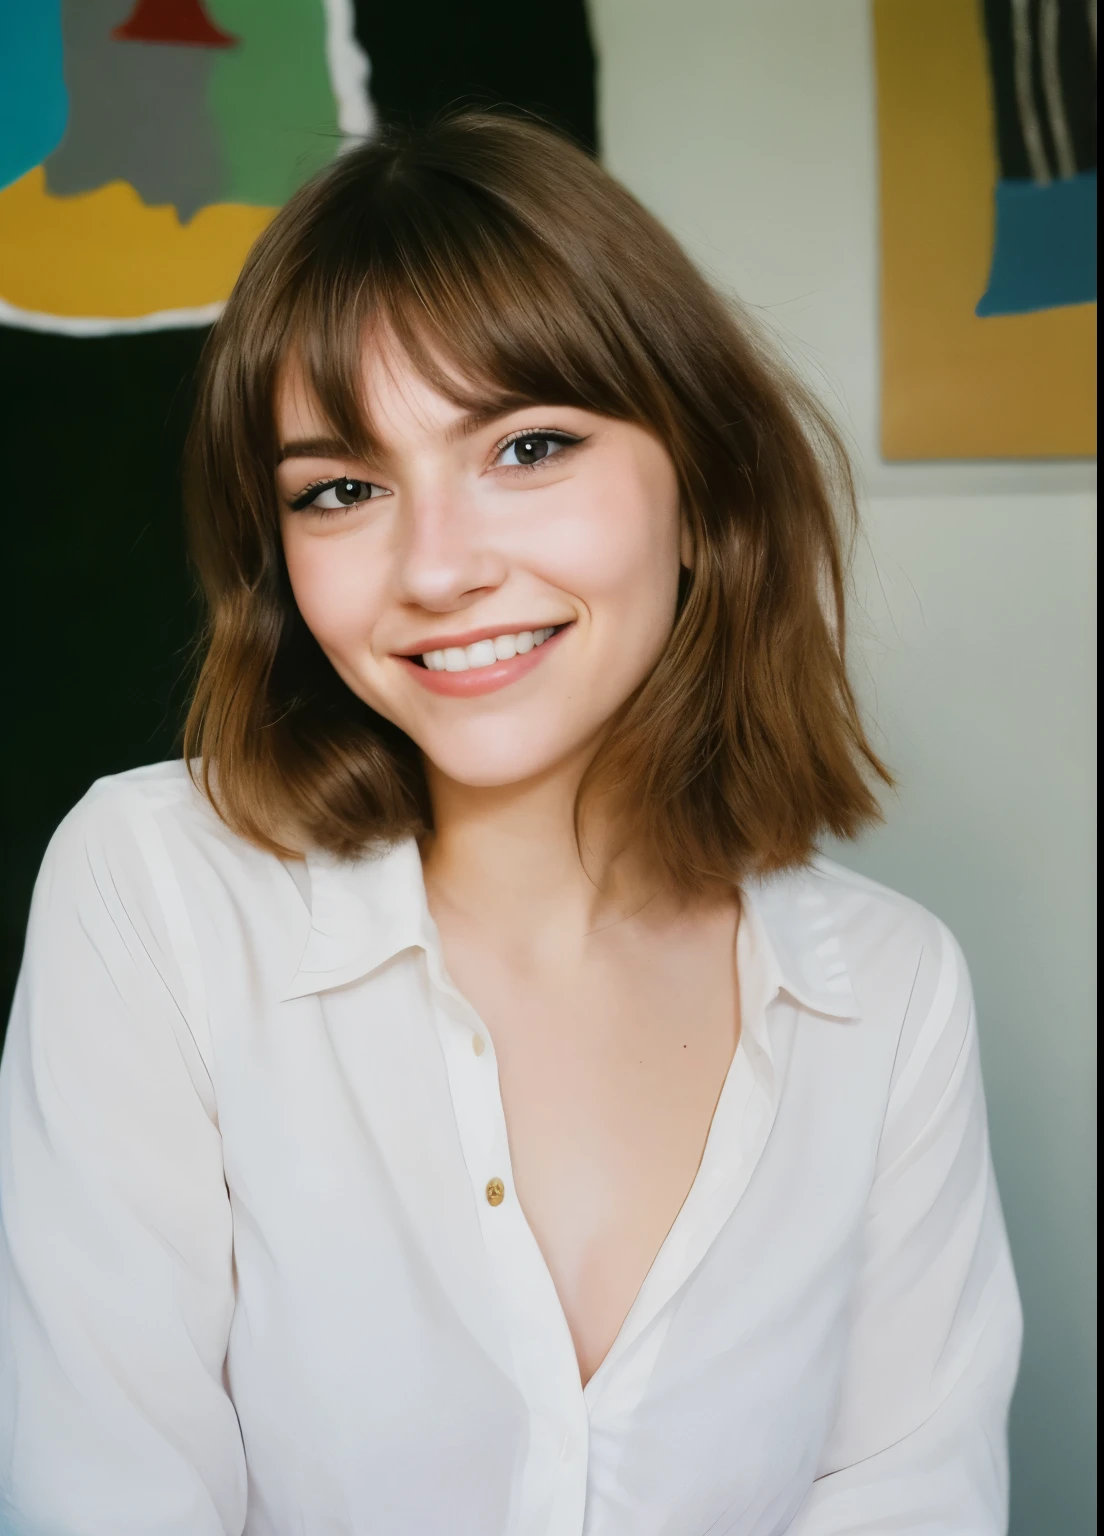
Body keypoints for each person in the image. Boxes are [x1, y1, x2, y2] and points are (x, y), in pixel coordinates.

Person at [0, 113, 1021, 1535]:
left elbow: (910, 1497)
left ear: (698, 490)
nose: (436, 567)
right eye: (342, 490)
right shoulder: (157, 893)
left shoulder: (889, 994)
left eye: (528, 446)